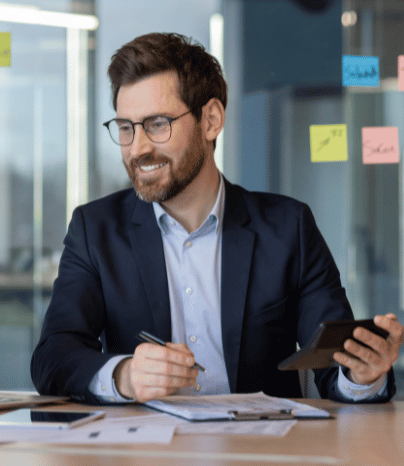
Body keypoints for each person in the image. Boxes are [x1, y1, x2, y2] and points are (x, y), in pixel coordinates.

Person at [31, 32, 403, 404]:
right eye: (126, 128)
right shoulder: (95, 230)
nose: (138, 148)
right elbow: (53, 357)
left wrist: (361, 375)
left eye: (158, 124)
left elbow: (334, 365)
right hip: (145, 456)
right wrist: (124, 376)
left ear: (210, 120)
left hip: (263, 455)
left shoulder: (289, 228)